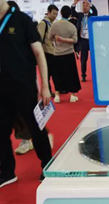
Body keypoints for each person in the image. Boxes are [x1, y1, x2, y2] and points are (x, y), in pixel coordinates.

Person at [0, 0, 52, 188]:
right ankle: (7, 172)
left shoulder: (22, 20)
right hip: (1, 90)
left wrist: (45, 86)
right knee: (1, 131)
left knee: (36, 128)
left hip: (24, 87)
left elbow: (39, 54)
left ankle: (48, 165)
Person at [49, 6, 80, 103]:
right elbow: (75, 40)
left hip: (57, 54)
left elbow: (50, 38)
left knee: (57, 75)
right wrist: (64, 39)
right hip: (69, 53)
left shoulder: (54, 25)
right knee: (71, 75)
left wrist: (59, 39)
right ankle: (73, 95)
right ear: (70, 15)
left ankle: (57, 95)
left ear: (61, 13)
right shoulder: (72, 26)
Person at [70, 1, 97, 82]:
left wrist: (90, 4)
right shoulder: (80, 15)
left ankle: (96, 74)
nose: (84, 7)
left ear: (89, 7)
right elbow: (73, 12)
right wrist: (74, 3)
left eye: (86, 6)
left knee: (94, 58)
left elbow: (95, 11)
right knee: (83, 59)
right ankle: (83, 75)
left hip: (91, 39)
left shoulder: (92, 15)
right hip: (83, 39)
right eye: (83, 6)